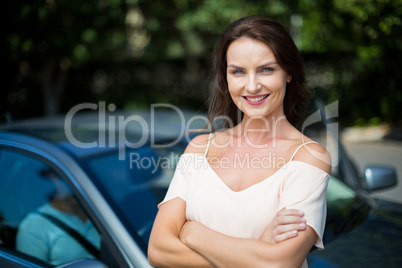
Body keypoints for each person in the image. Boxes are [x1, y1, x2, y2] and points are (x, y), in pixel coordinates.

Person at [148, 15, 331, 268]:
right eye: (238, 72)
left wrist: (193, 233)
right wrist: (257, 249)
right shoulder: (199, 149)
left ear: (288, 73)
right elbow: (158, 250)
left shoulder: (308, 156)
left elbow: (278, 264)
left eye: (266, 69)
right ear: (226, 77)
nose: (252, 86)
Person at [16, 168, 100, 266]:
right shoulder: (35, 225)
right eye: (78, 178)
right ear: (54, 177)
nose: (87, 184)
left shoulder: (103, 212)